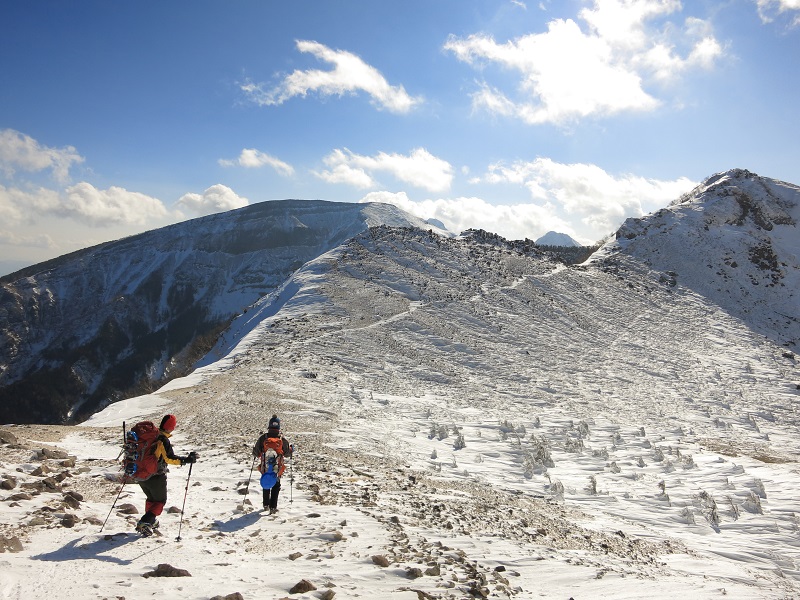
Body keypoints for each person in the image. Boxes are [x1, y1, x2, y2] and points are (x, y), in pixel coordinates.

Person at [135, 414, 198, 536]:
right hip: (155, 475)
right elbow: (169, 458)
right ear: (171, 427)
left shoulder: (150, 438)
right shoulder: (162, 439)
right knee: (160, 501)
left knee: (152, 499)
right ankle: (145, 522)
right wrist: (187, 460)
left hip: (139, 474)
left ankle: (150, 521)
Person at [252, 414, 293, 514]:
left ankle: (265, 504)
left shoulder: (263, 438)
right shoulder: (282, 439)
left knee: (266, 482)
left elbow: (256, 452)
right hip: (277, 466)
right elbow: (287, 453)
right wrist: (291, 449)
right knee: (276, 484)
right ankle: (273, 507)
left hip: (265, 466)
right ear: (278, 426)